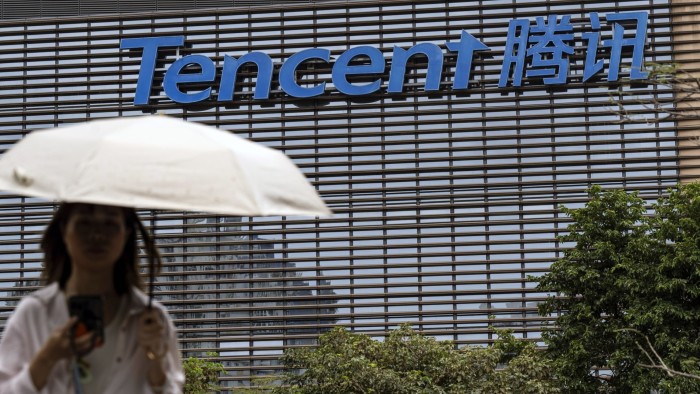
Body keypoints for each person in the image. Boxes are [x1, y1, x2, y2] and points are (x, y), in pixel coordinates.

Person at [0, 203, 184, 393]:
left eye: (110, 223)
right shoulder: (35, 313)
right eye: (84, 223)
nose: (97, 235)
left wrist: (155, 359)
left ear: (126, 233)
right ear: (64, 230)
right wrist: (46, 358)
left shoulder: (151, 319)